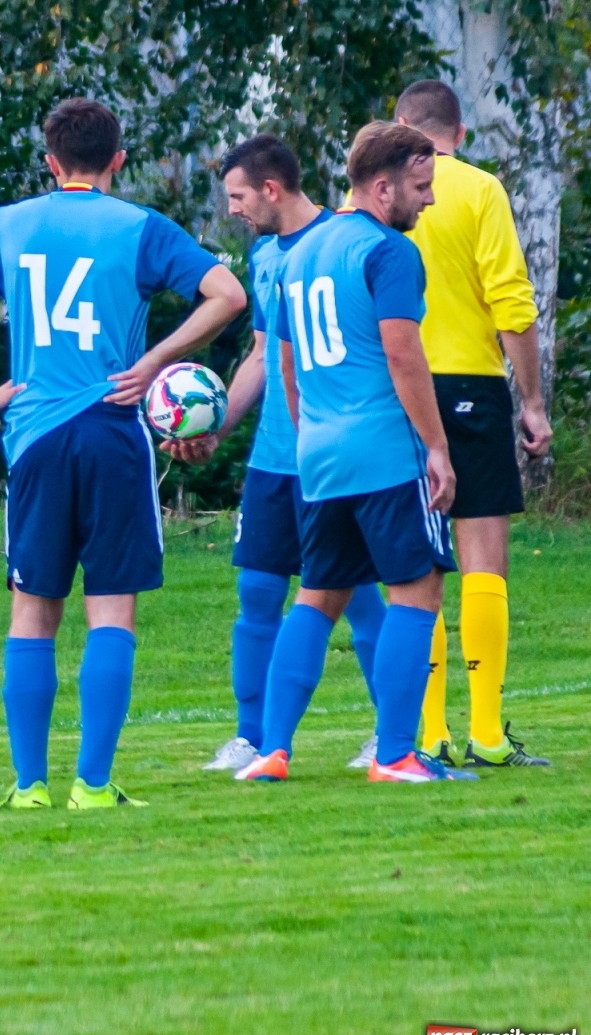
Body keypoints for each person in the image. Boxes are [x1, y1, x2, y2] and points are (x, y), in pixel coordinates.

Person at [0, 97, 246, 810]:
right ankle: (92, 785)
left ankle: (30, 786)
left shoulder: (10, 224)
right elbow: (227, 294)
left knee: (32, 613)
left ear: (50, 160)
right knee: (111, 613)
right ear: (118, 161)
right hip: (113, 429)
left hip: (34, 437)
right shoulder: (139, 227)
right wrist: (155, 359)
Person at [233, 122, 477, 785]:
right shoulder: (386, 251)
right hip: (383, 452)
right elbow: (404, 355)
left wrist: (313, 425)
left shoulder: (301, 252)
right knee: (418, 592)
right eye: (421, 188)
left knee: (317, 596)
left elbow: (284, 364)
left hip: (318, 453)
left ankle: (272, 751)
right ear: (381, 186)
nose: (427, 201)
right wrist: (437, 447)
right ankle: (396, 755)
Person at [166, 136, 387, 774]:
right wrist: (216, 428)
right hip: (272, 459)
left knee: (360, 595)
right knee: (258, 591)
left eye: (236, 196)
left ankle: (389, 731)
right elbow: (263, 356)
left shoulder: (350, 243)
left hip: (334, 459)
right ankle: (253, 735)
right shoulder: (263, 256)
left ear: (270, 189)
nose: (231, 209)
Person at [393, 79, 552, 769]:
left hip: (396, 388)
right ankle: (486, 733)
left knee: (416, 559)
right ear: (459, 132)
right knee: (483, 556)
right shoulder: (481, 189)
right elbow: (511, 302)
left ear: (402, 127)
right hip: (469, 383)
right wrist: (533, 401)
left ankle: (429, 732)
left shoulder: (366, 195)